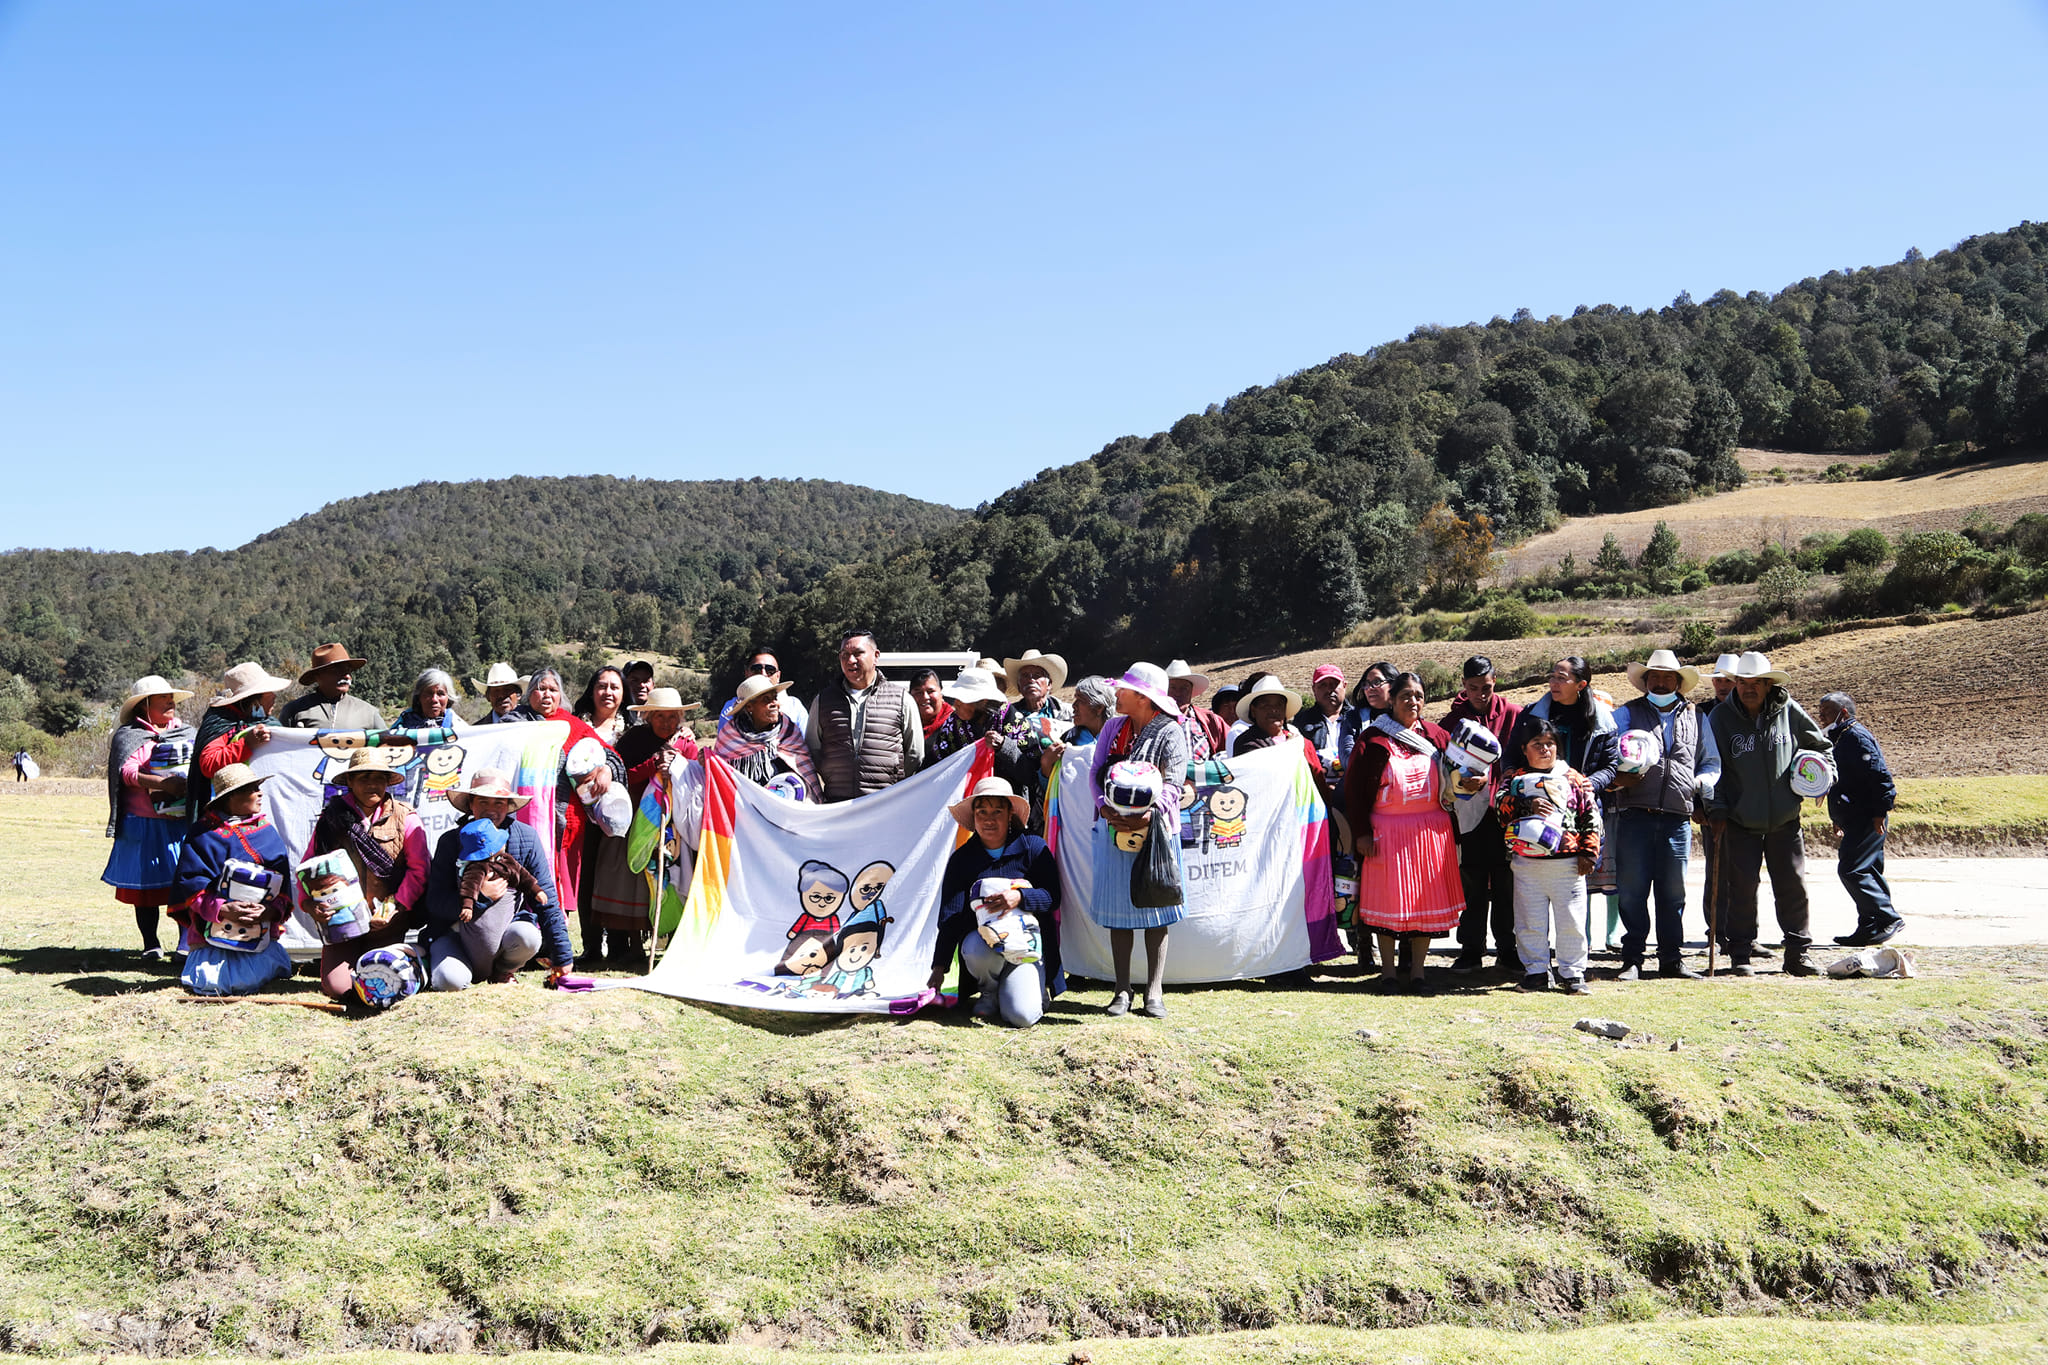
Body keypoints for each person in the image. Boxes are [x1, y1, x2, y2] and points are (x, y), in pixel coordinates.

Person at [1702, 652, 1830, 978]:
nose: (1748, 689)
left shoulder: (1789, 710)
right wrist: (1716, 809)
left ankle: (1798, 954)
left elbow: (1821, 747)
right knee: (1741, 889)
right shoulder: (1720, 718)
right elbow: (1713, 767)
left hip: (1785, 819)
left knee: (1793, 887)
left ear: (1768, 684)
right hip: (1739, 820)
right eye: (1742, 682)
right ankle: (1740, 954)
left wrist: (1823, 777)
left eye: (1755, 683)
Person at [1344, 671, 1464, 993]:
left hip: (1430, 832)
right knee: (1388, 902)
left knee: (1423, 902)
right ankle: (1387, 973)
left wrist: (1470, 783)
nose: (1413, 701)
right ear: (1393, 701)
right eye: (1405, 696)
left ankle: (1418, 973)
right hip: (1386, 832)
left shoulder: (1437, 736)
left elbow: (1457, 777)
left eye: (1418, 695)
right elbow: (1354, 790)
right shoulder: (1373, 739)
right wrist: (1361, 833)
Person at [1084, 662, 1191, 1019]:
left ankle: (1154, 990)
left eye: (1124, 690)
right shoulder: (1114, 728)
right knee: (1120, 911)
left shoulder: (1171, 732)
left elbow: (1174, 782)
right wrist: (1104, 807)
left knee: (1156, 905)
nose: (1117, 694)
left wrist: (1149, 813)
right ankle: (1121, 989)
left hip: (1156, 832)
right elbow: (1095, 774)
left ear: (1143, 698)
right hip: (1114, 830)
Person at [1611, 650, 1719, 981]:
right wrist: (1620, 775)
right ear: (1645, 682)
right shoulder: (1626, 714)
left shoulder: (1698, 716)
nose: (1660, 682)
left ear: (1678, 682)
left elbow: (1711, 762)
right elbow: (1610, 753)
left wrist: (1698, 784)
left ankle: (1671, 959)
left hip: (1677, 818)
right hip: (1634, 814)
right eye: (1654, 677)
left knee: (1673, 893)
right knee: (1632, 891)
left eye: (1667, 677)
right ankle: (1632, 959)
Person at [422, 770, 575, 989]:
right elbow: (435, 903)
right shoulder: (450, 841)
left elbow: (546, 897)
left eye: (499, 803)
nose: (491, 810)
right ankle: (462, 968)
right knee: (450, 980)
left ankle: (503, 971)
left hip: (506, 931)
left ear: (508, 806)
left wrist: (563, 957)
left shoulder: (526, 838)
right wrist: (480, 897)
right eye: (483, 801)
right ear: (470, 804)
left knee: (528, 937)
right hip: (456, 935)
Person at [929, 776, 1062, 1027]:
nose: (989, 819)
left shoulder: (1033, 847)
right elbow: (951, 919)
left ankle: (1025, 988)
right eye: (982, 811)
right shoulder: (962, 859)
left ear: (1010, 813)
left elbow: (1053, 898)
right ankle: (988, 990)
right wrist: (939, 968)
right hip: (985, 950)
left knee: (1021, 1016)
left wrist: (1020, 897)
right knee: (975, 947)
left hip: (1026, 949)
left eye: (997, 811)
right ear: (974, 816)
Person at [587, 687, 703, 966]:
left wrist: (677, 766)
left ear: (680, 717)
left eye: (672, 717)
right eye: (659, 716)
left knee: (670, 877)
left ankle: (670, 942)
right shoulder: (634, 739)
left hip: (673, 821)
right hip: (635, 816)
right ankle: (630, 945)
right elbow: (621, 774)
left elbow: (696, 774)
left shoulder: (686, 743)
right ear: (649, 716)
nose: (666, 722)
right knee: (631, 879)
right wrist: (653, 766)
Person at [301, 749, 429, 1001]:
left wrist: (395, 906)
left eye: (379, 778)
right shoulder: (331, 818)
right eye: (363, 777)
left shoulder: (406, 817)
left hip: (387, 923)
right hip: (342, 924)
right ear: (349, 781)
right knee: (339, 988)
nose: (372, 784)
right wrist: (310, 904)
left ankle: (413, 957)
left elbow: (419, 870)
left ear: (387, 782)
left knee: (382, 978)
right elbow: (309, 866)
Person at [1496, 718, 1603, 995]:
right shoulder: (1514, 780)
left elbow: (1590, 816)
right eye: (1537, 745)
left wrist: (1588, 852)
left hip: (1567, 865)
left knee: (1571, 921)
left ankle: (1573, 973)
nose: (1545, 749)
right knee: (1529, 921)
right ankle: (1536, 972)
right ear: (1524, 749)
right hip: (1527, 865)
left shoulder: (1573, 778)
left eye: (1550, 744)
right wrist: (1525, 804)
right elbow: (1499, 810)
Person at [170, 763, 295, 996]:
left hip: (260, 931)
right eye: (252, 789)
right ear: (230, 797)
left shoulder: (266, 831)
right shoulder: (203, 836)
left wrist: (268, 912)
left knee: (249, 977)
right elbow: (191, 887)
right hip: (214, 935)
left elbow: (282, 886)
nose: (260, 793)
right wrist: (224, 909)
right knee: (214, 982)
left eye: (259, 787)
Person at [521, 666, 625, 933]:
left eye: (553, 689)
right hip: (521, 820)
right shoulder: (514, 724)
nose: (546, 694)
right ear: (529, 693)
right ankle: (525, 943)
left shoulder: (571, 725)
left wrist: (606, 770)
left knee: (560, 882)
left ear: (561, 695)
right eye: (540, 688)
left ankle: (554, 944)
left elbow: (612, 757)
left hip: (562, 822)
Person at [103, 675, 198, 961]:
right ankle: (151, 944)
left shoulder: (185, 732)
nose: (170, 702)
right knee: (144, 889)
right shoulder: (129, 735)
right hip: (142, 824)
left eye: (171, 698)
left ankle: (185, 943)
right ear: (145, 705)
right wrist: (161, 784)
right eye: (163, 699)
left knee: (183, 882)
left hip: (178, 823)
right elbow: (127, 773)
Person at [1441, 656, 1522, 975]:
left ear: (1495, 681)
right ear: (1464, 685)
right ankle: (1471, 949)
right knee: (1472, 884)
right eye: (1473, 688)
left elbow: (1521, 761)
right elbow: (1443, 765)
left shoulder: (1514, 715)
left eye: (1486, 687)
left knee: (1506, 883)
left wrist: (1493, 778)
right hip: (1469, 815)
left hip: (1504, 814)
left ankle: (1507, 949)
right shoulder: (1453, 722)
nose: (1480, 694)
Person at [1815, 692, 1902, 947]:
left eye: (1827, 711)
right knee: (1869, 870)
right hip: (1854, 816)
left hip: (1867, 816)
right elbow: (1841, 782)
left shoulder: (1856, 737)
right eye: (1820, 711)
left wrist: (1879, 813)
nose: (1821, 716)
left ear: (1843, 713)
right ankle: (1869, 927)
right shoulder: (1839, 737)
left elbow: (1880, 777)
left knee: (1852, 869)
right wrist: (1837, 817)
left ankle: (1888, 917)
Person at [806, 630, 922, 801]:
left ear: (876, 656)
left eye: (857, 653)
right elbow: (813, 749)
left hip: (886, 802)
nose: (850, 660)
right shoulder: (823, 701)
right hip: (837, 804)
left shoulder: (901, 699)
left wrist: (894, 780)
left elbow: (915, 753)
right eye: (844, 655)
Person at [188, 661, 292, 825]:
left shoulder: (267, 722)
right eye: (268, 692)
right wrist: (246, 744)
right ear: (254, 699)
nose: (274, 695)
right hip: (229, 815)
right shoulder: (222, 722)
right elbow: (208, 765)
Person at [988, 649, 1074, 831]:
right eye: (1025, 676)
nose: (1030, 680)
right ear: (1018, 685)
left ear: (1049, 684)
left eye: (1037, 675)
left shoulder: (1068, 713)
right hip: (1025, 794)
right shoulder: (1007, 717)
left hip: (1064, 792)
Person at [1232, 675, 1341, 807]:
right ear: (1253, 711)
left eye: (1279, 704)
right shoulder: (1247, 744)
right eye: (1265, 705)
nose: (1273, 710)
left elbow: (1318, 782)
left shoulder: (1302, 743)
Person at [715, 674, 821, 799]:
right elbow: (719, 772)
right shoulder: (730, 735)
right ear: (749, 706)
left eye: (775, 698)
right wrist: (706, 761)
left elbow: (804, 770)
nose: (774, 704)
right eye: (766, 699)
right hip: (747, 808)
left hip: (788, 807)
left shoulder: (788, 731)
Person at [277, 643, 385, 730]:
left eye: (348, 671)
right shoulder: (295, 711)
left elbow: (387, 745)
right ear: (317, 676)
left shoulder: (368, 712)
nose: (347, 676)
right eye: (337, 671)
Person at [1295, 665, 1363, 783]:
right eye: (1323, 685)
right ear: (1314, 689)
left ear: (1344, 686)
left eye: (1334, 684)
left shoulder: (1360, 719)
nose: (1329, 690)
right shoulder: (1301, 722)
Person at [718, 650, 809, 733]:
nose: (763, 674)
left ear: (778, 676)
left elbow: (806, 745)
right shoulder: (730, 709)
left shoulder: (795, 707)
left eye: (770, 670)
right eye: (756, 669)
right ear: (746, 673)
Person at [930, 667, 1004, 762]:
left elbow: (1026, 765)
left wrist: (1004, 745)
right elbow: (934, 762)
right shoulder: (952, 723)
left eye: (961, 699)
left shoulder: (1009, 719)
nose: (956, 704)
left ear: (982, 701)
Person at [1165, 659, 1225, 760]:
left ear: (1191, 691)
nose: (1178, 693)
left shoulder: (1210, 720)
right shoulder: (1151, 720)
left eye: (1184, 688)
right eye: (1173, 688)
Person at [573, 664, 630, 745]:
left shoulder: (631, 731)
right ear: (592, 692)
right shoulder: (574, 726)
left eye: (614, 687)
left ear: (624, 695)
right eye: (602, 686)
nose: (608, 692)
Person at [394, 668, 464, 731]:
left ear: (448, 698)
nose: (434, 699)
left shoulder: (458, 726)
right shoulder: (403, 723)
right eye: (428, 693)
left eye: (440, 694)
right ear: (419, 697)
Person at [1065, 675, 1114, 745]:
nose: (1074, 705)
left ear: (1099, 708)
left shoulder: (1118, 739)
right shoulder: (1068, 740)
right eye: (1076, 699)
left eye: (1080, 700)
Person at [621, 660, 656, 725]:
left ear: (653, 685)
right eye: (634, 680)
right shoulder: (614, 713)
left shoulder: (660, 714)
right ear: (623, 684)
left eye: (646, 681)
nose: (641, 685)